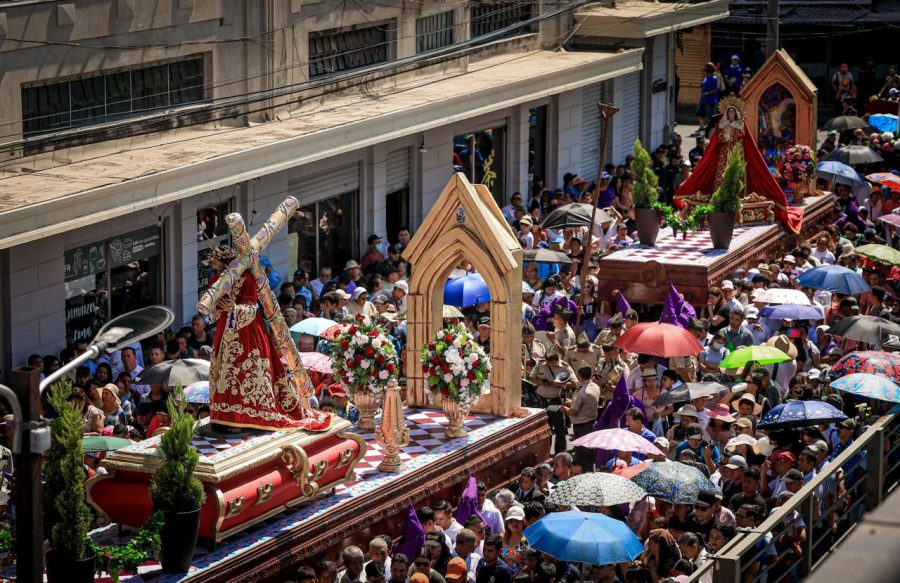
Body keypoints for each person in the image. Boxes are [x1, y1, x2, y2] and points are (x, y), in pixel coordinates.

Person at [561, 366, 600, 471]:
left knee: (583, 455)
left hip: (582, 427)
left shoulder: (582, 392)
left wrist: (565, 408)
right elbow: (586, 403)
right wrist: (572, 402)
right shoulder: (595, 386)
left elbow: (573, 412)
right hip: (591, 423)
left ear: (579, 377)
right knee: (589, 453)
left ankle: (584, 474)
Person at [696, 64, 719, 134]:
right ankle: (702, 127)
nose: (703, 72)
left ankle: (711, 129)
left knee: (710, 116)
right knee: (699, 114)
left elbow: (715, 90)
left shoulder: (714, 79)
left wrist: (707, 93)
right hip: (703, 100)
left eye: (705, 71)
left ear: (708, 71)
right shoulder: (705, 78)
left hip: (710, 101)